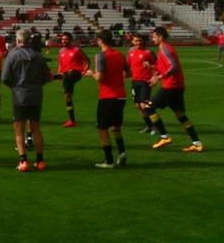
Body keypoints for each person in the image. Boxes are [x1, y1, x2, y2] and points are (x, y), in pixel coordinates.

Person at [144, 27, 203, 152]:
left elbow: (174, 67)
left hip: (171, 86)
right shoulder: (163, 49)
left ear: (160, 36)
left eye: (154, 36)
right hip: (177, 86)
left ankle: (164, 137)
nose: (152, 39)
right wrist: (152, 66)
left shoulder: (165, 49)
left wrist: (159, 77)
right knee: (180, 115)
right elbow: (163, 67)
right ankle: (197, 143)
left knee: (148, 107)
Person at [1, 29, 51, 172]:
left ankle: (23, 161)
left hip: (19, 95)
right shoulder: (38, 56)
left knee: (19, 130)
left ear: (17, 40)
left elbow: (5, 77)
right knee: (36, 129)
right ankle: (40, 161)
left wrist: (14, 86)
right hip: (36, 95)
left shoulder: (12, 55)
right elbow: (47, 77)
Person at [84, 29, 128, 169]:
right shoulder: (120, 54)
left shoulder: (101, 56)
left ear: (101, 41)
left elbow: (100, 77)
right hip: (121, 96)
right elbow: (128, 73)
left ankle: (108, 161)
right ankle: (122, 152)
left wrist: (91, 73)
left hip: (108, 96)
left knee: (102, 128)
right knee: (116, 126)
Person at [54, 32, 89, 128]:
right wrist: (59, 73)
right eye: (62, 39)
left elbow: (86, 60)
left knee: (70, 73)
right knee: (67, 97)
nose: (64, 41)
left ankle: (51, 77)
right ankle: (72, 120)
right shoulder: (61, 51)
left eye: (66, 39)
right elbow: (60, 65)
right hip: (65, 75)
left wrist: (84, 71)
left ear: (70, 40)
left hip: (75, 73)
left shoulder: (77, 50)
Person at [126, 34, 156, 134]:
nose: (138, 43)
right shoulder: (130, 52)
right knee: (138, 106)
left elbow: (158, 65)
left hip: (145, 81)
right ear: (132, 42)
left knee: (144, 105)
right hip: (134, 81)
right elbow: (128, 66)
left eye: (140, 41)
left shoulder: (148, 52)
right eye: (136, 41)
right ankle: (149, 126)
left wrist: (153, 74)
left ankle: (155, 126)